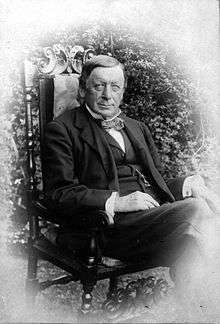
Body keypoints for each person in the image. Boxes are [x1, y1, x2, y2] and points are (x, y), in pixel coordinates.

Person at [43, 55, 220, 292]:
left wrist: (186, 185)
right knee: (197, 210)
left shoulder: (136, 127)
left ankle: (193, 300)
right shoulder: (62, 130)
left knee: (204, 212)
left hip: (149, 221)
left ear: (123, 91)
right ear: (83, 90)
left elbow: (156, 183)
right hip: (105, 228)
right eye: (99, 86)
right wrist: (117, 202)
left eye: (115, 86)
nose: (108, 95)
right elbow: (59, 194)